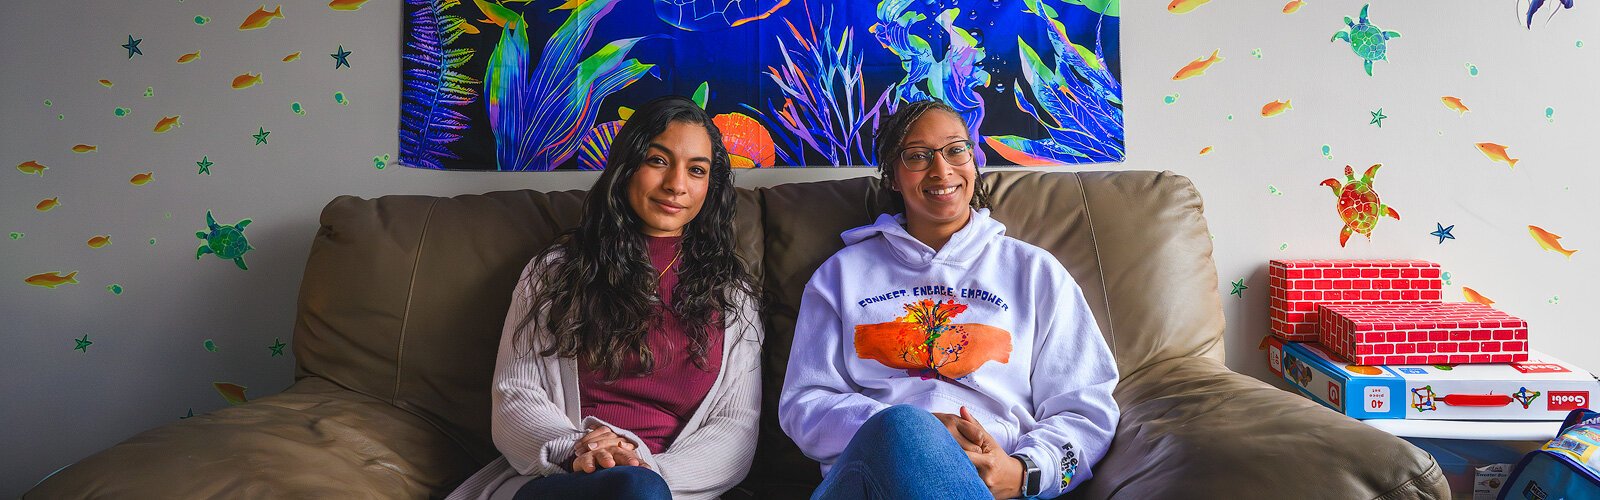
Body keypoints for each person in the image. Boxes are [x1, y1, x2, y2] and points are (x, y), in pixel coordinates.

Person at [778, 99, 1119, 500]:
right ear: (892, 176)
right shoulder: (841, 275)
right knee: (905, 428)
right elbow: (803, 406)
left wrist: (1026, 471)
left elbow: (1086, 410)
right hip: (868, 478)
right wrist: (913, 429)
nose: (942, 170)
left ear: (973, 160)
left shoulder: (1034, 272)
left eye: (956, 150)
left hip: (995, 479)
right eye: (918, 157)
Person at [448, 95, 764, 500]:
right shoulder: (556, 272)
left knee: (637, 489)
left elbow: (734, 432)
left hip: (669, 485)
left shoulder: (732, 296)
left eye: (696, 170)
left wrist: (643, 465)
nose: (676, 185)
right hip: (561, 481)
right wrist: (577, 449)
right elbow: (515, 395)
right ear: (627, 166)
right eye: (658, 160)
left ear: (710, 186)